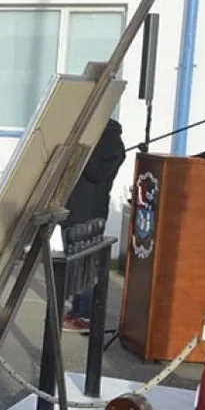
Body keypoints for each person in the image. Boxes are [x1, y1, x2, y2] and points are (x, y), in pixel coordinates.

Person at [61, 116, 126, 331]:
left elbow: (97, 172)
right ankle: (78, 309)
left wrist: (82, 151)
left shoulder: (105, 146)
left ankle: (85, 315)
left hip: (88, 212)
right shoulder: (102, 144)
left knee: (87, 267)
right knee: (77, 264)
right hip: (80, 209)